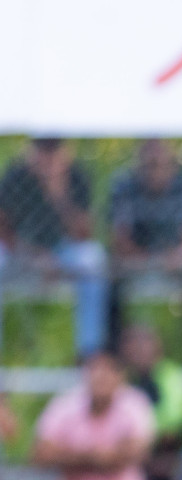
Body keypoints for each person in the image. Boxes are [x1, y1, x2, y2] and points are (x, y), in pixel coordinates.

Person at [0, 138, 108, 357]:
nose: (47, 157)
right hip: (21, 250)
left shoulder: (76, 177)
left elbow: (84, 235)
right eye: (42, 149)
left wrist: (57, 192)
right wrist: (33, 256)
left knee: (93, 259)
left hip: (63, 252)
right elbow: (4, 229)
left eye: (54, 150)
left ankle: (90, 351)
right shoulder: (15, 176)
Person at [107, 140, 182, 355]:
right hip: (135, 259)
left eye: (161, 164)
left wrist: (175, 257)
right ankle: (113, 353)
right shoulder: (124, 187)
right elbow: (119, 239)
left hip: (173, 258)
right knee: (111, 280)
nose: (155, 171)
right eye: (150, 165)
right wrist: (147, 259)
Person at [32, 349, 155, 480]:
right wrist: (97, 456)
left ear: (120, 376)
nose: (100, 376)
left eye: (107, 370)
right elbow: (41, 455)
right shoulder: (64, 405)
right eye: (94, 369)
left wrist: (70, 457)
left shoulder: (134, 404)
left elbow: (136, 453)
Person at [121, 324, 182, 480]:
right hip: (130, 448)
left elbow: (176, 418)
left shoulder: (171, 374)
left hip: (165, 446)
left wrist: (142, 433)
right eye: (134, 344)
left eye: (144, 343)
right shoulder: (123, 377)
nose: (139, 350)